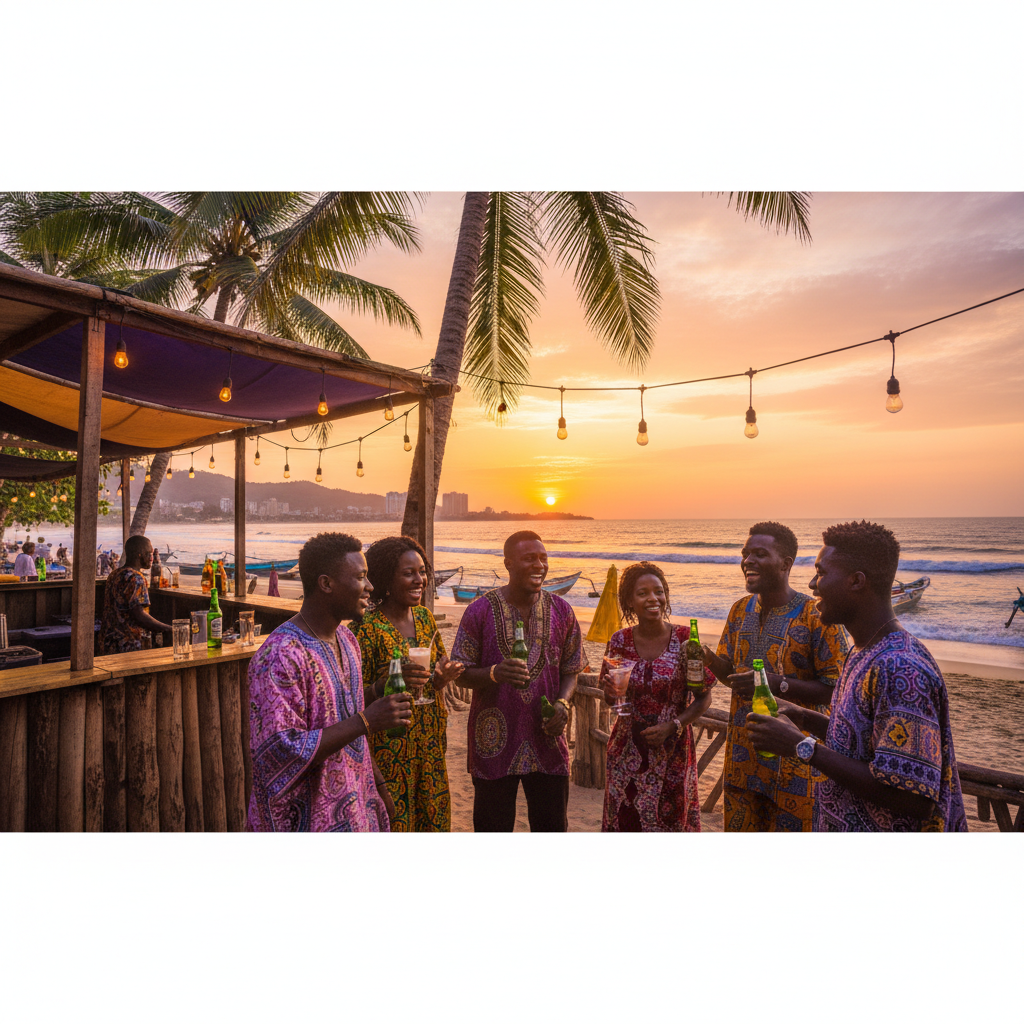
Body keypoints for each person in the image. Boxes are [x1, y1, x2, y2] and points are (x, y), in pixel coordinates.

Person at [746, 521, 968, 832]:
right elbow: (858, 743)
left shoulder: (902, 668)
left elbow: (914, 798)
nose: (812, 584)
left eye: (822, 573)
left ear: (857, 581)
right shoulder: (862, 652)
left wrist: (801, 746)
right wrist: (802, 717)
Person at [246, 532, 411, 832]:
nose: (370, 588)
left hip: (354, 806)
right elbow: (280, 749)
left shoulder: (347, 640)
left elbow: (348, 721)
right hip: (302, 822)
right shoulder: (281, 655)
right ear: (326, 584)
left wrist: (379, 787)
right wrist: (367, 720)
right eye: (361, 577)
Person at [703, 522, 848, 832]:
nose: (747, 561)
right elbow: (731, 675)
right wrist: (709, 659)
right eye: (745, 554)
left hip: (797, 766)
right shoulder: (739, 610)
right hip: (743, 760)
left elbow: (836, 690)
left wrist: (777, 684)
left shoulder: (816, 616)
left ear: (785, 564)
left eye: (759, 553)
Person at [450, 530, 588, 832]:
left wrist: (563, 703)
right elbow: (460, 672)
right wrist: (494, 673)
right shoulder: (480, 611)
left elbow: (572, 667)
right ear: (508, 563)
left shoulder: (562, 610)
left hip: (548, 739)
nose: (539, 565)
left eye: (543, 558)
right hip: (493, 742)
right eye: (529, 559)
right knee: (493, 828)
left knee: (551, 828)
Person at [355, 536, 465, 831]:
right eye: (409, 573)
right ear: (386, 579)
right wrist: (387, 683)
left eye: (422, 571)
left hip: (429, 749)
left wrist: (443, 678)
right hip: (389, 754)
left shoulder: (425, 619)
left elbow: (435, 678)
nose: (420, 580)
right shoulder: (366, 629)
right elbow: (350, 701)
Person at [599, 562, 715, 832]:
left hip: (672, 752)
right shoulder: (619, 640)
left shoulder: (687, 640)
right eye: (643, 593)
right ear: (630, 600)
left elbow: (704, 698)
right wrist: (610, 694)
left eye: (659, 591)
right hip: (626, 751)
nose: (653, 599)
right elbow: (611, 701)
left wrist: (673, 725)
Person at [98, 535, 173, 654]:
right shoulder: (135, 578)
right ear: (139, 554)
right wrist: (168, 629)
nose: (152, 558)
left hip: (108, 641)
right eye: (149, 553)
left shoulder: (115, 574)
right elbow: (139, 615)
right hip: (128, 645)